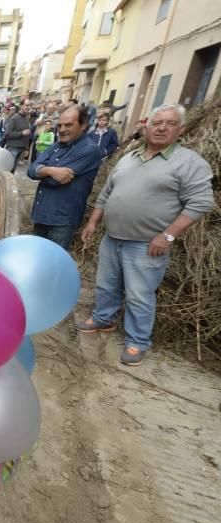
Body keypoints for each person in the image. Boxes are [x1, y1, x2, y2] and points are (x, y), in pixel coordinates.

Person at [77, 104, 214, 366]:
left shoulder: (188, 162)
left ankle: (137, 342)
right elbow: (107, 192)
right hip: (112, 236)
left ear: (181, 129)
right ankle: (103, 319)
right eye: (157, 122)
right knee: (106, 284)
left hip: (147, 244)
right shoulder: (130, 157)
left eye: (170, 123)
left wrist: (168, 236)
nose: (162, 128)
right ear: (146, 126)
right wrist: (93, 222)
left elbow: (200, 203)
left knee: (140, 294)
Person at [26, 105, 102, 250]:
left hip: (61, 221)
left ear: (83, 125)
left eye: (68, 125)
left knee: (53, 265)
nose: (61, 130)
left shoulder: (89, 149)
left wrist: (42, 171)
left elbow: (54, 181)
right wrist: (49, 170)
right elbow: (31, 170)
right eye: (59, 125)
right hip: (41, 214)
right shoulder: (56, 146)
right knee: (37, 259)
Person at [4, 99, 32, 172]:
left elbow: (27, 134)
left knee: (13, 170)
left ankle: (10, 183)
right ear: (21, 106)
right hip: (13, 148)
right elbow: (7, 134)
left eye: (29, 105)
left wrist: (26, 148)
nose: (28, 107)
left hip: (21, 148)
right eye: (27, 105)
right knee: (8, 169)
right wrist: (21, 133)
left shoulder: (26, 118)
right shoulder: (14, 118)